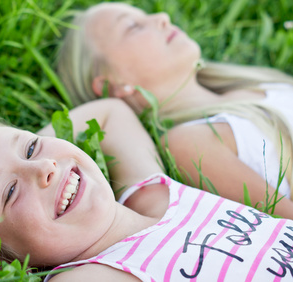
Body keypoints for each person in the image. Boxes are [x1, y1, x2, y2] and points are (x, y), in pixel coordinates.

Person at [0, 99, 293, 281]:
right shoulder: (91, 275)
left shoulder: (153, 194)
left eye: (32, 147)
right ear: (0, 254)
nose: (45, 168)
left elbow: (112, 113)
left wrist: (1, 149)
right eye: (11, 191)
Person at [57, 2, 293, 218]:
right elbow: (285, 223)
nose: (162, 17)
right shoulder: (189, 142)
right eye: (133, 26)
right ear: (112, 83)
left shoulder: (258, 84)